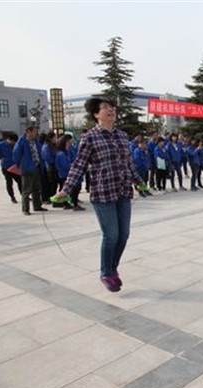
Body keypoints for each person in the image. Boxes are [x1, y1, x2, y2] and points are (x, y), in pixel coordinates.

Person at [54, 98, 145, 293]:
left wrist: (139, 181)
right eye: (105, 108)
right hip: (103, 192)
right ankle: (106, 272)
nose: (110, 110)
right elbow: (79, 164)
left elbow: (128, 163)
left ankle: (112, 268)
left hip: (122, 190)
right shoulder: (90, 137)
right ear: (96, 114)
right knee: (111, 235)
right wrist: (66, 189)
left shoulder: (122, 136)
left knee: (124, 235)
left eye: (112, 107)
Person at [13, 125, 47, 215]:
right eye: (35, 131)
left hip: (36, 167)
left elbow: (40, 153)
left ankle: (37, 206)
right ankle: (25, 209)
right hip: (27, 168)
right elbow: (16, 155)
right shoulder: (22, 142)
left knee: (37, 188)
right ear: (28, 131)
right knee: (26, 190)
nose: (36, 133)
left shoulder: (35, 141)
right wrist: (21, 165)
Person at [0, 132, 22, 203]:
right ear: (8, 139)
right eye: (12, 141)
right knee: (9, 182)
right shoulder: (1, 145)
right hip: (6, 167)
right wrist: (1, 157)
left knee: (20, 181)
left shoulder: (16, 145)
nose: (13, 143)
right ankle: (12, 197)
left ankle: (24, 195)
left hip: (15, 166)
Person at [55, 135, 84, 211]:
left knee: (75, 189)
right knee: (69, 189)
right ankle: (67, 203)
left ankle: (69, 203)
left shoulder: (68, 151)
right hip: (65, 174)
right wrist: (74, 166)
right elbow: (66, 165)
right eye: (69, 142)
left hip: (69, 173)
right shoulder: (61, 154)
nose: (71, 143)